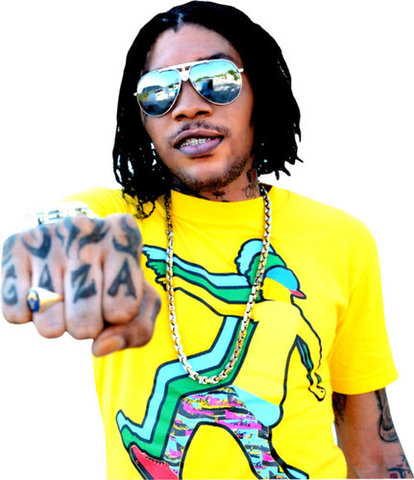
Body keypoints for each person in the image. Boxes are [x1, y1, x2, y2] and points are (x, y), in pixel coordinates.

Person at [1, 1, 412, 478]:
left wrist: (168, 271)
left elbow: (373, 452)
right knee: (205, 407)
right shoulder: (120, 220)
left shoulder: (340, 238)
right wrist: (47, 253)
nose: (188, 106)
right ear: (142, 119)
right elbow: (57, 227)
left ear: (260, 92)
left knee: (190, 396)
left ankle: (161, 453)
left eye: (217, 80)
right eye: (158, 92)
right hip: (232, 397)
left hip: (248, 400)